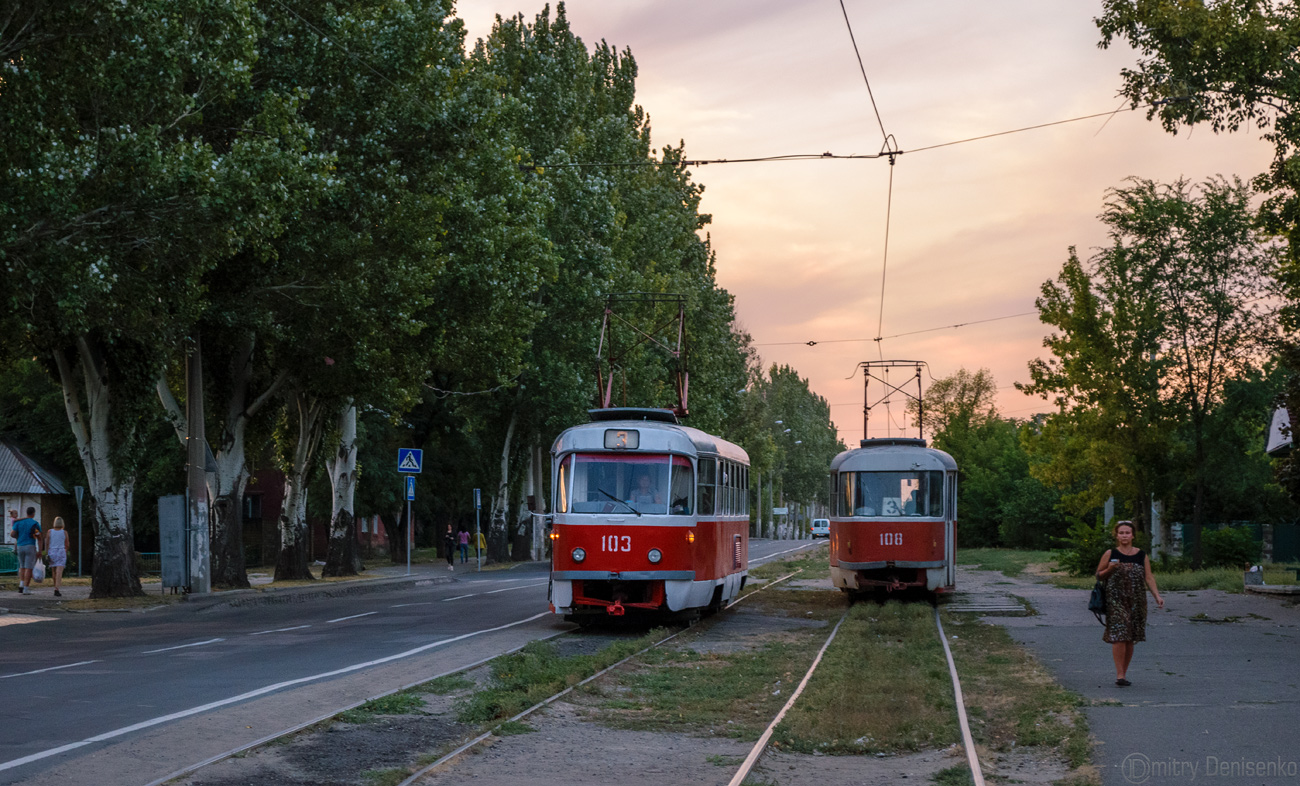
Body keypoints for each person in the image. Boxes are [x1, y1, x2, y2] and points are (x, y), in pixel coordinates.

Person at [1095, 520, 1164, 686]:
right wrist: (1110, 569)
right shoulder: (1110, 553)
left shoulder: (1141, 555)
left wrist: (1157, 595)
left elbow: (1149, 577)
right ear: (1117, 535)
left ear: (1132, 535)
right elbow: (1098, 575)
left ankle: (1124, 674)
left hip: (1137, 600)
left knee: (1130, 637)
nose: (1124, 535)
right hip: (1116, 600)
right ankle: (1119, 675)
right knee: (1120, 635)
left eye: (1127, 533)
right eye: (1121, 533)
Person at [10, 507, 42, 595]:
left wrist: (18, 537)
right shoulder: (35, 524)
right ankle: (26, 588)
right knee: (29, 567)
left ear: (26, 513)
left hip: (20, 546)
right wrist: (39, 551)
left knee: (22, 566)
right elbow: (39, 538)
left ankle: (21, 583)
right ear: (33, 513)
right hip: (30, 546)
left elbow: (12, 534)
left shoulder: (18, 522)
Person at [44, 516, 69, 597]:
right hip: (61, 551)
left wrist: (47, 552)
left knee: (54, 571)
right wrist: (66, 550)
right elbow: (67, 543)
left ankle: (55, 585)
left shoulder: (49, 531)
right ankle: (57, 588)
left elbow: (47, 542)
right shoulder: (64, 532)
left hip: (52, 551)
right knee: (59, 571)